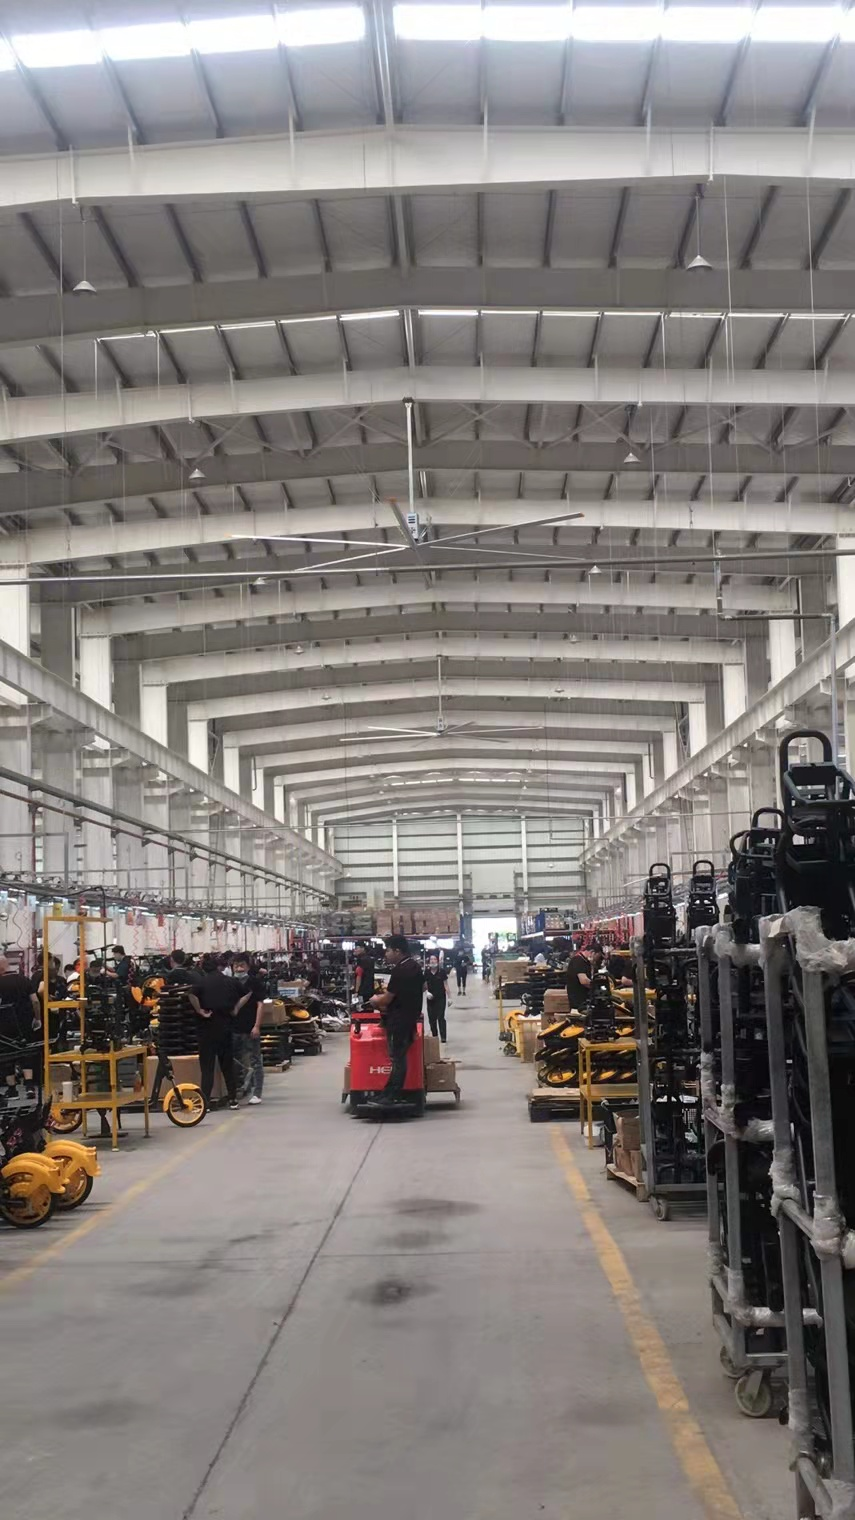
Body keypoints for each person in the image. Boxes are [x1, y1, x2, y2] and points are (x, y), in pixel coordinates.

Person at [186, 958, 250, 1109]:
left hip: (206, 1029)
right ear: (218, 967)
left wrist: (200, 1011)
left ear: (203, 968)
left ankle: (206, 1102)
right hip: (225, 1028)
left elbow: (191, 995)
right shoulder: (230, 981)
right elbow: (247, 993)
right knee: (227, 1065)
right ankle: (233, 1100)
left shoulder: (201, 982)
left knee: (207, 1067)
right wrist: (236, 1008)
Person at [368, 935, 424, 1106]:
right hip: (409, 1019)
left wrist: (375, 1001)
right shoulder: (415, 966)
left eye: (388, 950)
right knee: (399, 1057)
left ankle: (392, 1095)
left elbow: (387, 999)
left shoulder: (400, 970)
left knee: (397, 1059)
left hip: (399, 1021)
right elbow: (420, 989)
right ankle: (388, 1092)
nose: (386, 954)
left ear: (397, 951)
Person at [0, 954, 42, 1101]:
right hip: (25, 1023)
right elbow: (35, 1001)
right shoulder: (24, 980)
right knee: (26, 1051)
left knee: (6, 1054)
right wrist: (37, 1018)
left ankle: (12, 1090)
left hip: (4, 1025)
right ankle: (29, 1086)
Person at [231, 953, 265, 1105]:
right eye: (236, 966)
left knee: (255, 1060)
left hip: (250, 1027)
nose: (239, 969)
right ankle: (240, 1089)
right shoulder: (230, 983)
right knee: (235, 1060)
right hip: (234, 1028)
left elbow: (260, 1005)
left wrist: (257, 1025)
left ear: (248, 966)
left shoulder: (254, 983)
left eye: (242, 965)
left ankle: (257, 1093)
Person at [424, 953, 449, 1045]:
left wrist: (450, 997)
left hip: (441, 997)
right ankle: (435, 1035)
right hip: (430, 998)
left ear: (437, 961)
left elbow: (446, 985)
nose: (432, 961)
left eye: (434, 959)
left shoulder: (442, 972)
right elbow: (424, 984)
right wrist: (427, 992)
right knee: (432, 1018)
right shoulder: (426, 972)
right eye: (431, 959)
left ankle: (443, 1037)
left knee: (441, 1017)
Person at [565, 939, 593, 1012]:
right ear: (592, 952)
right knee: (579, 1016)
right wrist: (596, 987)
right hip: (577, 998)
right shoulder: (578, 961)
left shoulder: (585, 961)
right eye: (597, 956)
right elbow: (584, 981)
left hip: (582, 997)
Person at [353, 941, 375, 1006]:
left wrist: (356, 991)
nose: (355, 950)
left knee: (361, 1007)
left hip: (362, 991)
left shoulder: (362, 960)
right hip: (369, 989)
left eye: (356, 948)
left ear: (362, 948)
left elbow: (359, 976)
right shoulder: (369, 959)